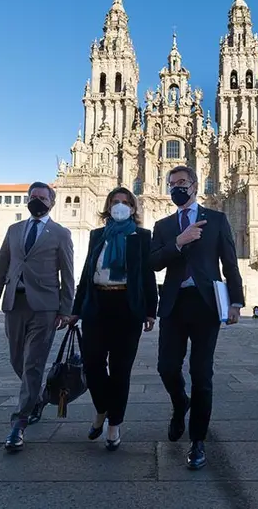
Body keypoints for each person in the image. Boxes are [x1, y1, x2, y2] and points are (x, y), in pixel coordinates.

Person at [150, 165, 244, 470]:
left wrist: (236, 302)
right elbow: (153, 262)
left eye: (182, 182)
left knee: (202, 375)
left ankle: (198, 440)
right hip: (174, 304)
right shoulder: (163, 225)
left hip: (206, 304)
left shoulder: (216, 219)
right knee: (166, 368)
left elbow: (229, 263)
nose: (177, 187)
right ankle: (180, 404)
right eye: (171, 183)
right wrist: (180, 241)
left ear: (194, 185)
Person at [0, 181, 75, 452]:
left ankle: (19, 423)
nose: (36, 200)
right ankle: (35, 397)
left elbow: (68, 275)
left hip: (45, 307)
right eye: (32, 197)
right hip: (15, 303)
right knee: (17, 360)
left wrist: (65, 310)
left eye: (42, 197)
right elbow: (0, 267)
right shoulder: (14, 230)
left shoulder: (61, 233)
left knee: (33, 363)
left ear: (51, 202)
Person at [71, 187, 157, 451]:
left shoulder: (141, 236)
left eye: (125, 202)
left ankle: (113, 426)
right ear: (107, 207)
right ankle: (102, 409)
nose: (120, 206)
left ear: (133, 208)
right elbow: (87, 271)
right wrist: (76, 309)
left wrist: (150, 310)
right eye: (115, 202)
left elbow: (147, 274)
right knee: (93, 364)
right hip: (96, 304)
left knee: (120, 370)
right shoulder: (97, 235)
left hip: (127, 307)